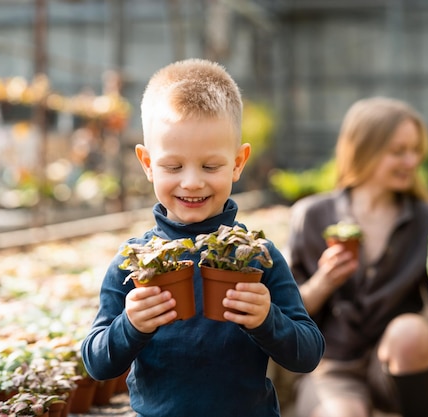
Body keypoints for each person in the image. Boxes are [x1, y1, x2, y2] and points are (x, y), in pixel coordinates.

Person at [81, 58, 325, 417]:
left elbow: (308, 353)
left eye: (210, 166)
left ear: (238, 162)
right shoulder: (134, 261)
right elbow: (97, 363)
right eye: (173, 166)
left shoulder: (258, 256)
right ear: (147, 164)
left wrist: (266, 319)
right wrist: (130, 326)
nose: (192, 181)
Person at [285, 97, 428, 417]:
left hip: (397, 364)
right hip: (333, 368)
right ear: (363, 150)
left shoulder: (425, 220)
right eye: (398, 151)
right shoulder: (312, 216)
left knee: (411, 331)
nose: (411, 161)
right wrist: (323, 283)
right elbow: (287, 313)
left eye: (415, 150)